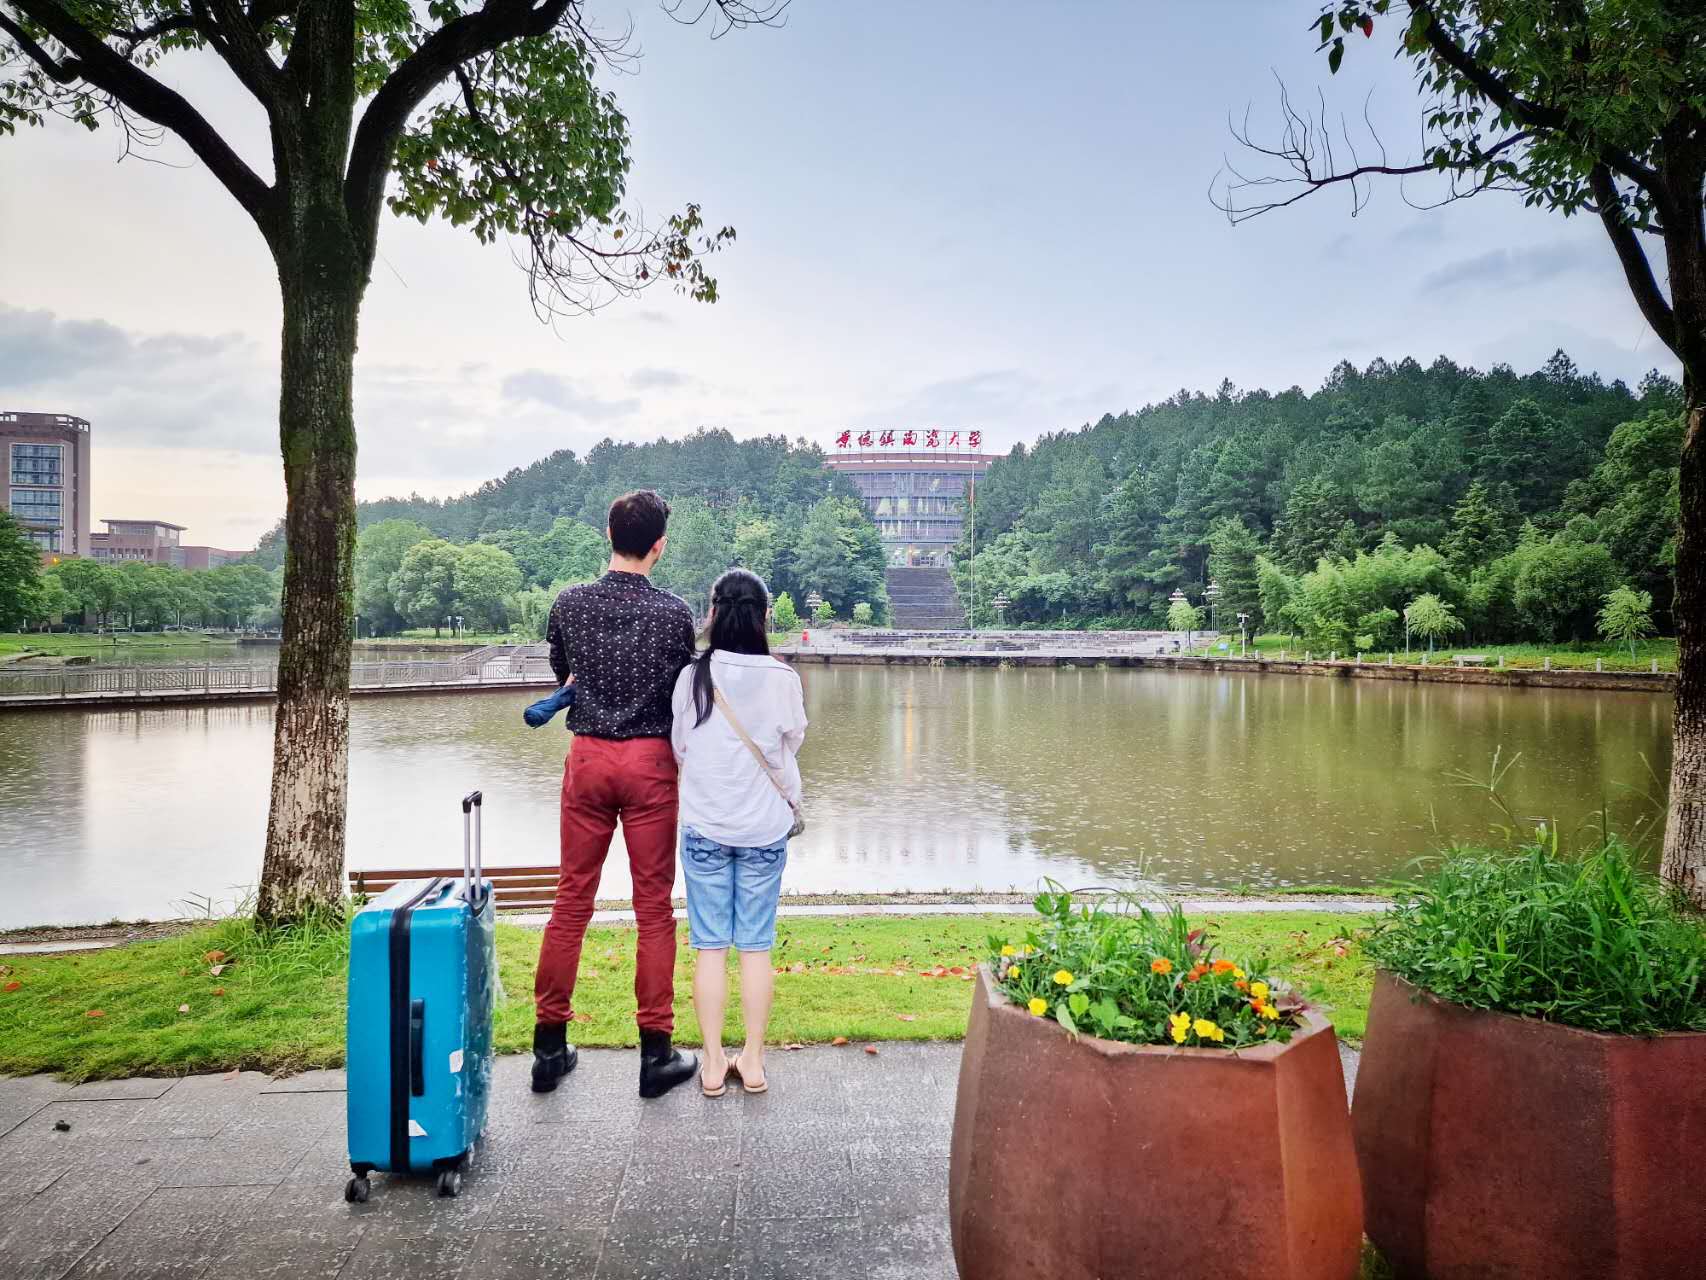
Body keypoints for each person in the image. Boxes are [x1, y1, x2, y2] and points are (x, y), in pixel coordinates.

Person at [532, 490, 700, 1100]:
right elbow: (684, 688)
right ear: (660, 544)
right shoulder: (674, 613)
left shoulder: (569, 604)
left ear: (609, 533)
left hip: (590, 758)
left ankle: (549, 1046)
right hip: (652, 762)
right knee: (652, 907)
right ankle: (656, 1054)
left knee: (572, 899)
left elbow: (563, 673)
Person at [670, 569, 807, 1097]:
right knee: (755, 947)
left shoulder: (692, 678)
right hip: (763, 830)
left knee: (709, 948)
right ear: (765, 614)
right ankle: (751, 1059)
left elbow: (681, 747)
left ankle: (710, 1061)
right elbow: (789, 743)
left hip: (705, 824)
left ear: (713, 612)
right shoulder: (783, 678)